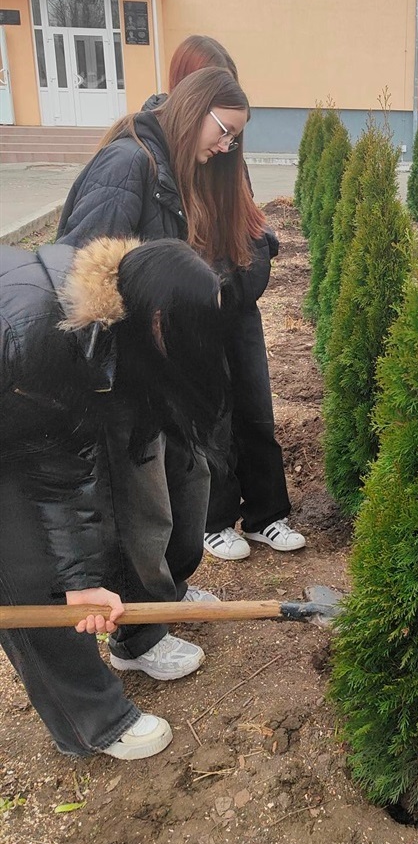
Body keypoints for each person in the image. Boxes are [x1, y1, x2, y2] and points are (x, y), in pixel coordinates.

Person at [54, 67, 264, 678]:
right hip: (118, 375)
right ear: (193, 108)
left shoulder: (172, 169)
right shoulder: (130, 166)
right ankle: (137, 637)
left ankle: (166, 591)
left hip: (154, 367)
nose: (225, 148)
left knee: (188, 476)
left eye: (235, 139)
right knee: (140, 503)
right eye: (224, 131)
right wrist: (115, 368)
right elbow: (81, 271)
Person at [0, 236, 228, 759]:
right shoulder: (33, 335)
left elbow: (61, 464)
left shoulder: (91, 335)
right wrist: (64, 583)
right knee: (25, 569)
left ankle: (127, 646)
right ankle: (91, 722)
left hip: (12, 420)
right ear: (157, 322)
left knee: (62, 559)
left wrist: (82, 582)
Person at [143, 35, 305, 562]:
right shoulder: (156, 158)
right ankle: (215, 520)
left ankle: (267, 515)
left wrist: (250, 265)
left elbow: (249, 222)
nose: (227, 142)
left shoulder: (224, 153)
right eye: (222, 124)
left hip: (235, 304)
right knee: (208, 418)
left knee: (256, 408)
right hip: (194, 312)